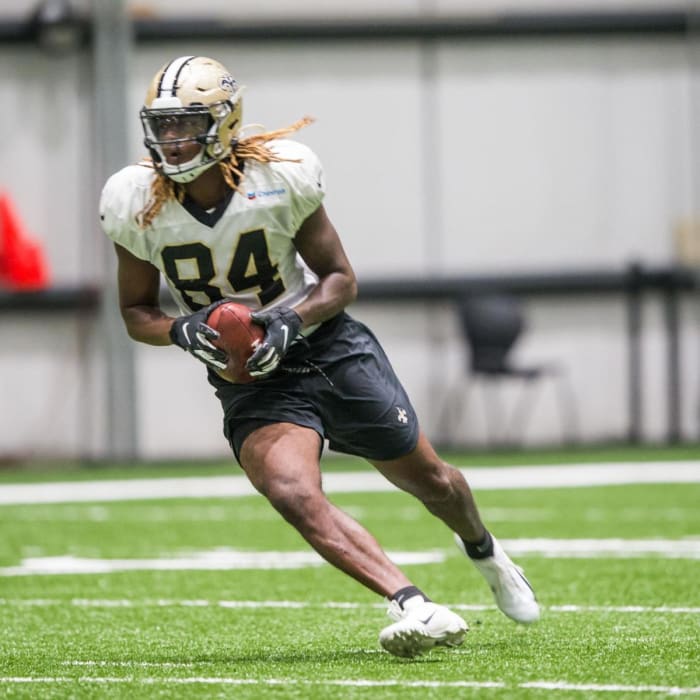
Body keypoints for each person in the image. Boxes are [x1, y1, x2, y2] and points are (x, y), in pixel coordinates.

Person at [99, 55, 539, 658]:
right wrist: (181, 329)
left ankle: (485, 551)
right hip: (250, 377)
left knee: (434, 482)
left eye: (186, 124)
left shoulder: (280, 177)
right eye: (163, 125)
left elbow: (339, 279)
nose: (171, 140)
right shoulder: (134, 199)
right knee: (291, 491)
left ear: (225, 123)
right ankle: (415, 604)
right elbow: (135, 313)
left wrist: (291, 317)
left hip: (327, 347)